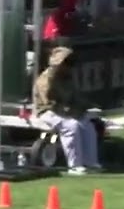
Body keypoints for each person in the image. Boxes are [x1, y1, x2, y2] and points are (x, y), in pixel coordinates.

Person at [33, 47, 101, 175]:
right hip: (47, 112)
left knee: (87, 125)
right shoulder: (45, 80)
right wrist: (69, 112)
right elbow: (49, 103)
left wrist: (85, 107)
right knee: (71, 126)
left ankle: (90, 162)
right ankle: (74, 165)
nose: (69, 67)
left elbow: (75, 97)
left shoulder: (67, 78)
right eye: (66, 63)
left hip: (66, 111)